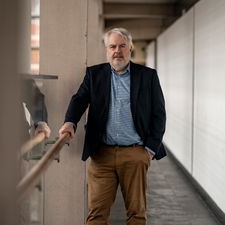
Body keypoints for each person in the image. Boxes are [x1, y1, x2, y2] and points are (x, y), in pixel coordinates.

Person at [59, 27, 166, 225]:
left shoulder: (148, 76)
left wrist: (149, 150)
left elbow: (159, 115)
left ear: (130, 48)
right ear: (107, 50)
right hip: (102, 156)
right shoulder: (94, 74)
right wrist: (69, 122)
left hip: (135, 154)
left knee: (137, 214)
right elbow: (79, 99)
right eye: (113, 46)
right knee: (96, 215)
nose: (117, 50)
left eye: (122, 46)